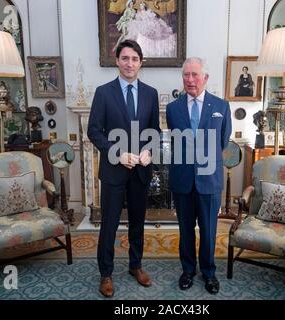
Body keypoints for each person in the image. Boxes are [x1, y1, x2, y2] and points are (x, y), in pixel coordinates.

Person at [87, 39, 160, 298]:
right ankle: (106, 273)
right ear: (117, 60)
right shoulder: (103, 92)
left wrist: (149, 151)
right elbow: (93, 131)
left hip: (140, 171)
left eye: (135, 59)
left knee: (138, 222)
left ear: (141, 63)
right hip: (114, 171)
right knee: (109, 223)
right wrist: (117, 153)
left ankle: (135, 266)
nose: (130, 63)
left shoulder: (151, 93)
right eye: (125, 58)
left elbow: (155, 132)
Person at [166, 57, 232, 294]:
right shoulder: (172, 108)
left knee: (208, 230)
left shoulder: (221, 106)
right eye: (186, 75)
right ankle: (187, 270)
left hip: (209, 179)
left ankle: (209, 272)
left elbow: (222, 141)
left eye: (195, 75)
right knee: (185, 230)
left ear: (205, 78)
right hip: (182, 179)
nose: (190, 80)